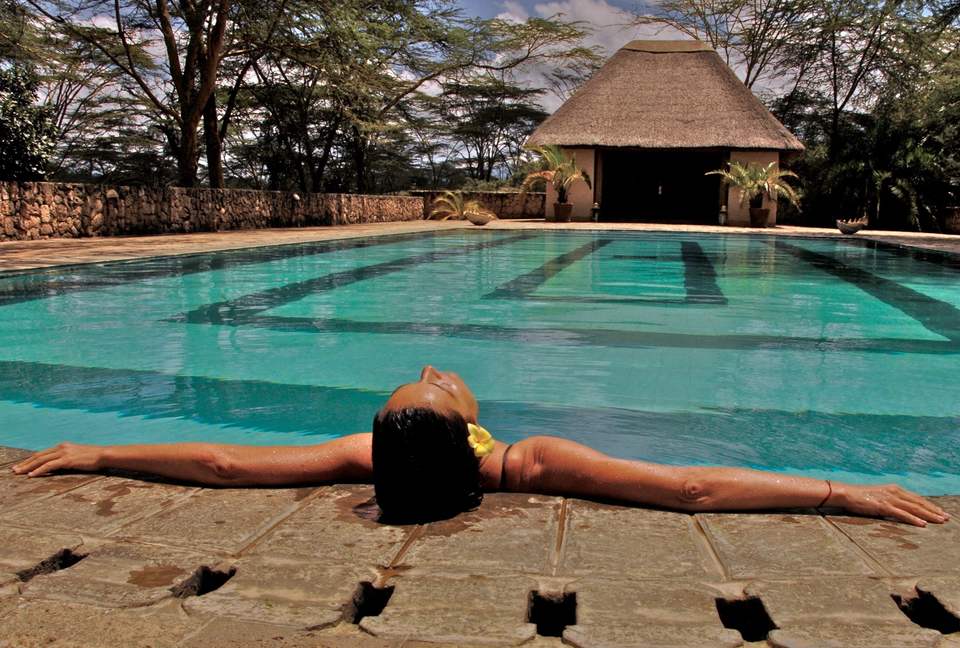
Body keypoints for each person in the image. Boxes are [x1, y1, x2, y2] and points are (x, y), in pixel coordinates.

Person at [11, 365, 949, 527]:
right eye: (439, 386)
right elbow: (692, 488)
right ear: (466, 428)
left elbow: (222, 466)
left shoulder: (363, 455)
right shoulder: (532, 460)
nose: (437, 368)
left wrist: (94, 453)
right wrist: (838, 492)